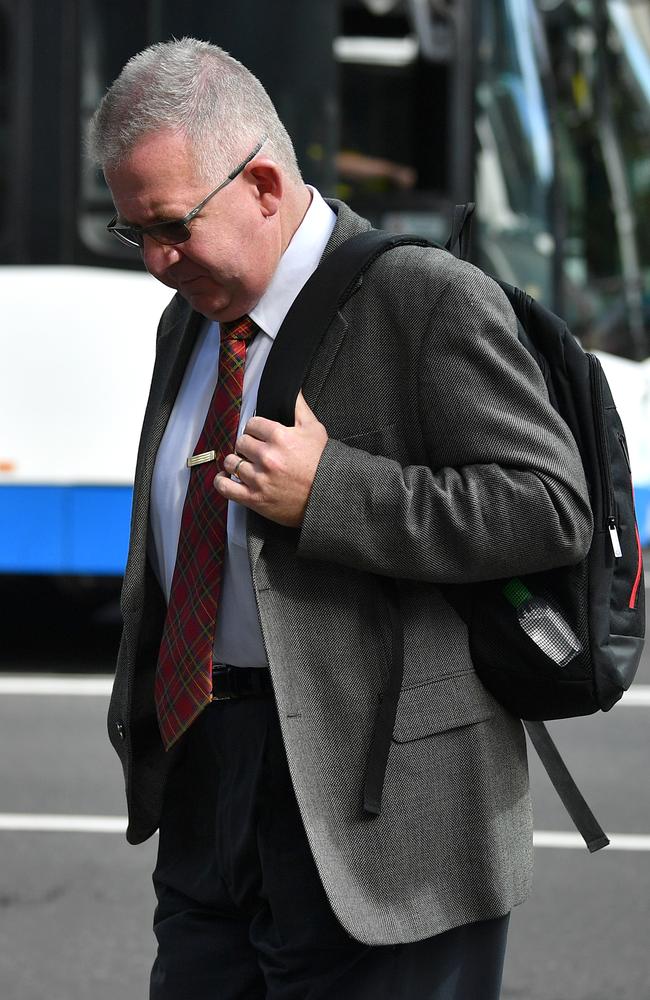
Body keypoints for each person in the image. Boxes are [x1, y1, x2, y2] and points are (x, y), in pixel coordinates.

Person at [89, 38, 593, 1000]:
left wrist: (333, 493)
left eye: (170, 226)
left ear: (265, 184)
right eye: (133, 234)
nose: (157, 261)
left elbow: (550, 506)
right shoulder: (191, 315)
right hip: (211, 778)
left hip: (384, 815)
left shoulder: (424, 298)